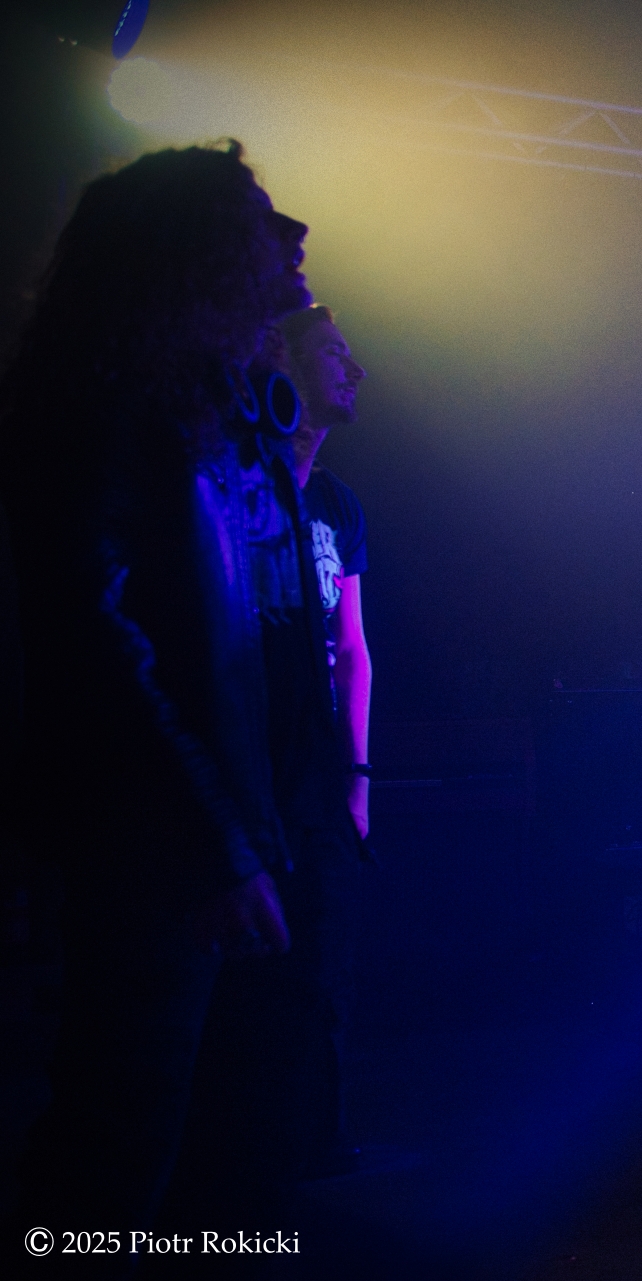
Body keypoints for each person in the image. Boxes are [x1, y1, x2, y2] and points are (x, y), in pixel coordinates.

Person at [0, 142, 341, 1264]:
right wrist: (213, 844)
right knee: (118, 1149)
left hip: (240, 836)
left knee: (229, 1148)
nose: (292, 235)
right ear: (192, 251)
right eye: (258, 218)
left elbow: (261, 620)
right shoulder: (104, 401)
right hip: (169, 853)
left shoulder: (213, 399)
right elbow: (93, 642)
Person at [272, 302, 373, 1179]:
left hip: (323, 780)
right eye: (336, 353)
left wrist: (360, 779)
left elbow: (354, 649)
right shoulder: (247, 485)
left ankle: (317, 1142)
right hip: (261, 771)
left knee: (325, 968)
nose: (356, 370)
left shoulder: (339, 503)